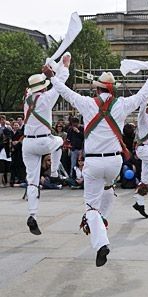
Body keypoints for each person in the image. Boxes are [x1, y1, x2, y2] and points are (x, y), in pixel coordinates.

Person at [43, 60, 148, 267]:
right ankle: (102, 220)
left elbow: (65, 92)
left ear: (97, 88)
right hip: (114, 161)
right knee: (107, 189)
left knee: (91, 207)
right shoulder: (122, 104)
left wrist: (52, 76)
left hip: (94, 162)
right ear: (112, 89)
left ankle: (101, 240)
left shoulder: (87, 103)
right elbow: (142, 96)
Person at [22, 54, 70, 236]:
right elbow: (61, 83)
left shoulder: (27, 99)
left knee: (32, 181)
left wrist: (49, 67)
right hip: (44, 141)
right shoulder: (47, 98)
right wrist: (63, 66)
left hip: (28, 143)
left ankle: (32, 214)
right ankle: (55, 172)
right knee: (59, 141)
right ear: (43, 87)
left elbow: (32, 88)